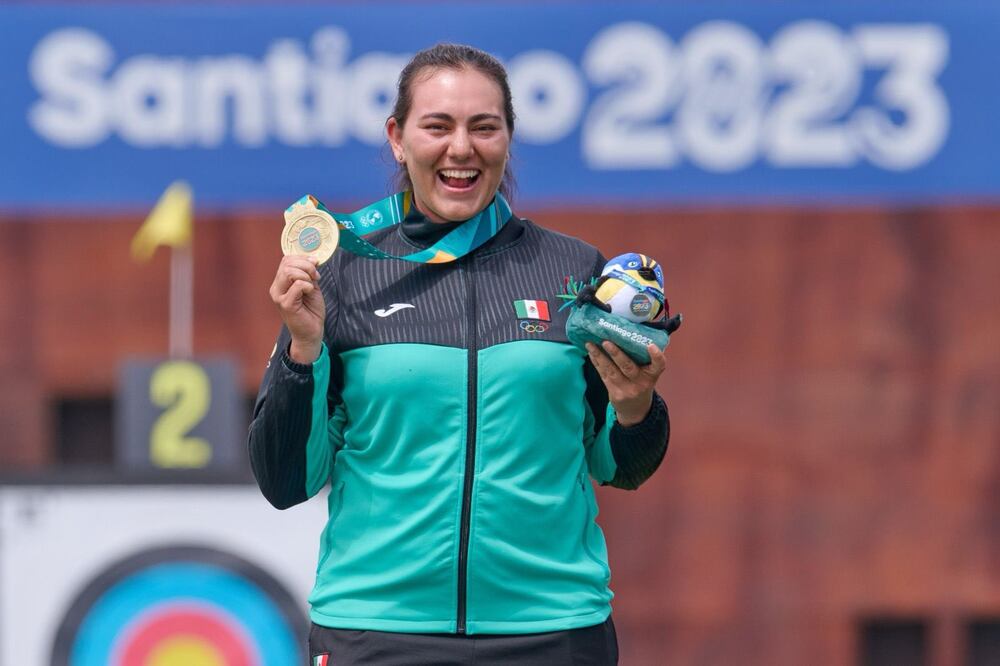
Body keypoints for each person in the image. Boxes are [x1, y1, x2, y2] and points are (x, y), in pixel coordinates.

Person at [249, 43, 671, 666]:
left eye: (484, 127)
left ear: (508, 138)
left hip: (552, 630)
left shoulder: (572, 269)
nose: (461, 148)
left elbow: (621, 466)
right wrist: (303, 350)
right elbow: (286, 480)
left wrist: (637, 408)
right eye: (437, 126)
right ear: (397, 138)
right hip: (376, 631)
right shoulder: (340, 272)